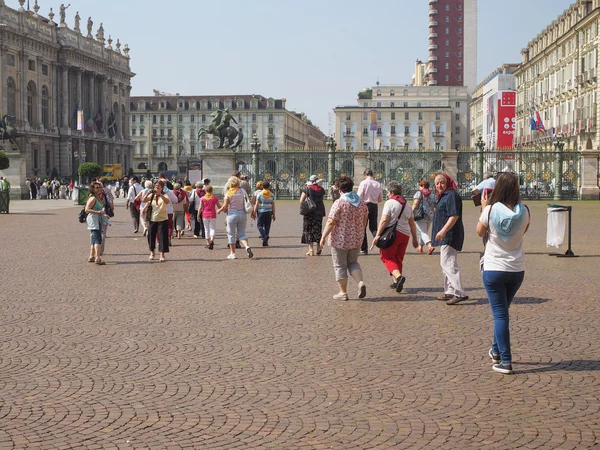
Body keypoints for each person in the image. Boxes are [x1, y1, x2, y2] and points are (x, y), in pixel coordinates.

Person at [477, 172, 531, 375]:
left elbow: (480, 232)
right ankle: (496, 350)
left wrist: (484, 209)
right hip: (516, 269)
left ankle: (506, 361)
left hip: (494, 268)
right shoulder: (524, 211)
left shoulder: (490, 210)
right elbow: (523, 231)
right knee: (502, 312)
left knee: (500, 314)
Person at [319, 176, 368, 300]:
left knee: (340, 266)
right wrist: (360, 231)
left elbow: (331, 221)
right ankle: (360, 282)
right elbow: (364, 219)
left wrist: (323, 236)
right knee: (353, 262)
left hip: (340, 239)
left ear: (340, 189)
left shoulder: (340, 202)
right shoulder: (361, 202)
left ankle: (343, 292)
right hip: (356, 238)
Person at [373, 181, 419, 293]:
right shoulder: (407, 205)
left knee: (386, 257)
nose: (387, 194)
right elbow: (412, 223)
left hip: (393, 234)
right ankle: (396, 283)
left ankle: (398, 277)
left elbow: (384, 220)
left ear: (392, 192)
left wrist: (377, 235)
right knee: (398, 258)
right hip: (405, 235)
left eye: (388, 192)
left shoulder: (390, 203)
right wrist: (415, 238)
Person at [431, 174, 468, 305]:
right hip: (445, 235)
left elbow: (454, 215)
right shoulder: (444, 196)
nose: (439, 185)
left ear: (447, 183)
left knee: (448, 263)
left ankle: (459, 292)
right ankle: (450, 291)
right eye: (437, 183)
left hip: (450, 234)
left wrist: (443, 231)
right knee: (446, 263)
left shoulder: (451, 195)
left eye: (442, 182)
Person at [217, 176, 254, 260]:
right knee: (241, 234)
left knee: (231, 234)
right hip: (242, 213)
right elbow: (247, 201)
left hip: (232, 214)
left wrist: (219, 210)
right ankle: (247, 246)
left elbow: (225, 206)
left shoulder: (228, 192)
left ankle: (232, 253)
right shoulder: (242, 191)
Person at [141, 180, 171, 262]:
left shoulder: (165, 195)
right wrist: (147, 193)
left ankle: (162, 254)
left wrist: (160, 194)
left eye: (158, 186)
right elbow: (143, 200)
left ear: (162, 188)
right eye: (155, 186)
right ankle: (152, 252)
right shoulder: (152, 195)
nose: (156, 188)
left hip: (163, 218)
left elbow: (167, 201)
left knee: (162, 237)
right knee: (151, 236)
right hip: (152, 218)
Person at [357, 169, 383, 255]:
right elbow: (380, 199)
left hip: (365, 205)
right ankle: (381, 245)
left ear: (365, 174)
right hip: (374, 206)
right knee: (374, 227)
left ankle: (364, 249)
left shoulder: (363, 183)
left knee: (362, 227)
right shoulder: (378, 184)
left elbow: (359, 196)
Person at [84, 181, 110, 265]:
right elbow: (87, 209)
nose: (99, 189)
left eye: (100, 187)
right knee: (98, 238)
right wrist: (99, 212)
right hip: (94, 220)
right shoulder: (93, 198)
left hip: (97, 219)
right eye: (97, 188)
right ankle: (98, 258)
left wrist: (104, 214)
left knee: (94, 238)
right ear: (92, 189)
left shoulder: (96, 197)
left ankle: (91, 256)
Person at [300, 175, 326, 256]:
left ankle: (311, 250)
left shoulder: (307, 189)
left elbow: (301, 200)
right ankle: (319, 247)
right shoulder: (321, 189)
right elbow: (321, 199)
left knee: (309, 230)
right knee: (318, 230)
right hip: (319, 212)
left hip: (309, 212)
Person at [412, 179, 436, 255]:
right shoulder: (432, 195)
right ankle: (420, 247)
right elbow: (434, 205)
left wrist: (410, 212)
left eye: (420, 185)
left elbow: (415, 204)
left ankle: (430, 246)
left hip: (420, 215)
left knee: (422, 232)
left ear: (422, 186)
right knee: (423, 232)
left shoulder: (419, 193)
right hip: (430, 216)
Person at [254, 180, 276, 247]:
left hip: (261, 212)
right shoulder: (272, 195)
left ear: (262, 186)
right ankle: (265, 242)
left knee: (259, 225)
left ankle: (264, 235)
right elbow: (273, 206)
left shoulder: (259, 194)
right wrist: (274, 214)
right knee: (267, 226)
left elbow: (256, 204)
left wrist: (254, 212)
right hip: (269, 212)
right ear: (269, 186)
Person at [199, 185, 221, 249]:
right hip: (213, 214)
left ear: (206, 190)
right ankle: (212, 240)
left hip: (205, 215)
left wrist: (198, 215)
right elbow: (219, 206)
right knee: (212, 228)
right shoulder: (214, 198)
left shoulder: (202, 198)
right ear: (212, 190)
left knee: (206, 229)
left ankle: (208, 242)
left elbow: (200, 208)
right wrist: (223, 209)